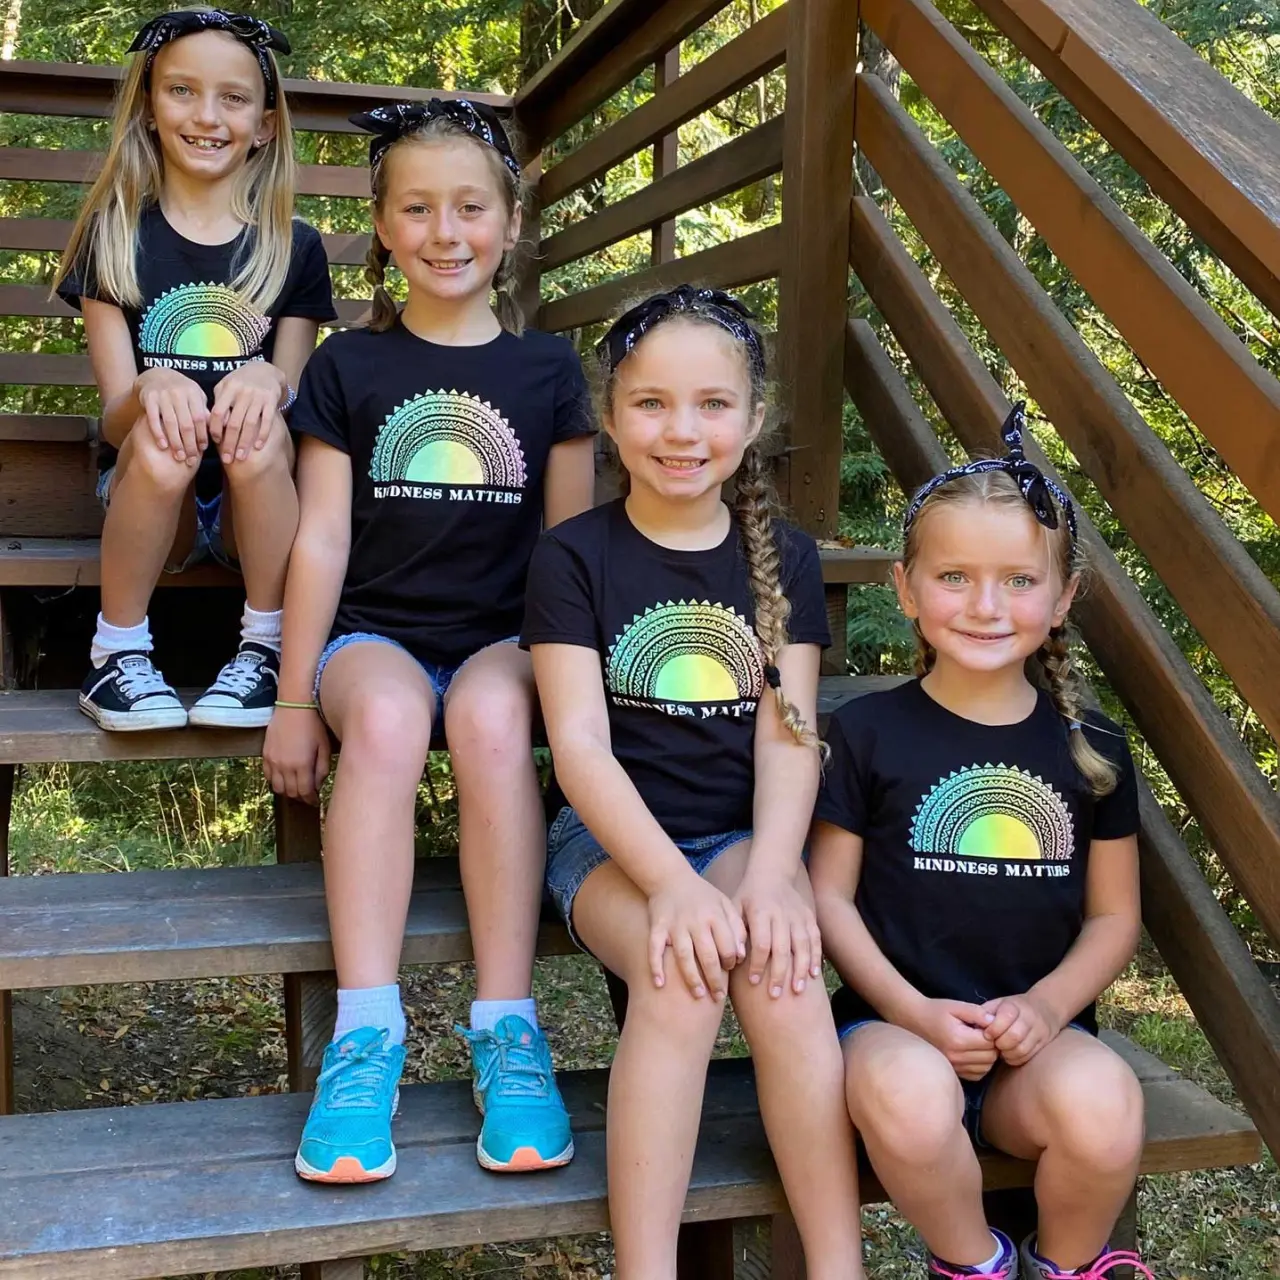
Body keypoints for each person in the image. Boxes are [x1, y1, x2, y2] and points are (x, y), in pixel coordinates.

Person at [265, 98, 596, 1183]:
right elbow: (318, 535)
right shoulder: (348, 369)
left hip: (507, 637)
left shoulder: (548, 371)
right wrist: (294, 697)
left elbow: (567, 549)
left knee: (494, 715)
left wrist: (572, 689)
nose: (444, 231)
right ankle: (366, 1038)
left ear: (507, 224)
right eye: (417, 208)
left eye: (468, 207)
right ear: (382, 225)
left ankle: (505, 1026)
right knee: (399, 715)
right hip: (374, 635)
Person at [523, 286, 865, 1280]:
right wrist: (671, 883)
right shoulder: (572, 557)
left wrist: (767, 872)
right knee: (679, 978)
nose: (681, 430)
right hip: (609, 844)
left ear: (752, 419)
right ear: (610, 415)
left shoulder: (783, 559)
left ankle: (834, 1264)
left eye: (712, 404)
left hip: (740, 834)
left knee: (784, 973)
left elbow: (789, 735)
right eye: (651, 403)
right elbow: (578, 745)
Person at [810, 406, 1152, 1280]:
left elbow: (1114, 919)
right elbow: (829, 899)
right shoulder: (867, 735)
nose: (987, 606)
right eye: (955, 576)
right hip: (894, 1032)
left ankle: (1064, 1267)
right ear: (907, 588)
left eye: (1018, 580)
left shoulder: (1095, 751)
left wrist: (1045, 1008)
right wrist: (911, 1012)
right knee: (911, 1098)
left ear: (1064, 594)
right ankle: (973, 1266)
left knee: (1106, 1107)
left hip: (1031, 1047)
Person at [54, 7, 336, 731]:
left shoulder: (292, 247)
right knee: (157, 435)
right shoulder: (114, 237)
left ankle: (266, 649)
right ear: (149, 107)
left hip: (257, 507)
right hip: (156, 501)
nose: (207, 116)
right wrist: (150, 386)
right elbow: (117, 411)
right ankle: (116, 652)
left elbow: (296, 398)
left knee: (264, 432)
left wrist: (272, 379)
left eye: (233, 98)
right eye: (182, 90)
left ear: (266, 123)